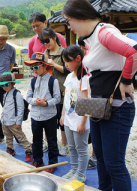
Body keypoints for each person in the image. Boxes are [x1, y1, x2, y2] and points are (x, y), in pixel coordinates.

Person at [62, 0, 137, 191]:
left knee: (114, 164)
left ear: (79, 16)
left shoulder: (103, 32)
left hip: (117, 109)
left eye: (68, 21)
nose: (69, 26)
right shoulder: (92, 38)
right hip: (100, 108)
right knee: (100, 158)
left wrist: (127, 79)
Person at [25, 52, 60, 174]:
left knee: (51, 140)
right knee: (36, 140)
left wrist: (46, 103)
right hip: (35, 115)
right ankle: (38, 160)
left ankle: (53, 162)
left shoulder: (53, 80)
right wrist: (35, 101)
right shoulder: (32, 81)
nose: (34, 70)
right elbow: (28, 97)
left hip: (49, 115)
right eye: (32, 67)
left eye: (36, 67)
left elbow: (57, 98)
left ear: (45, 65)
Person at [60, 45, 90, 183]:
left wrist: (83, 122)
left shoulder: (84, 78)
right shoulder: (69, 76)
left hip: (79, 120)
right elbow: (66, 98)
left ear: (78, 59)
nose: (66, 64)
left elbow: (86, 101)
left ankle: (81, 174)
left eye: (68, 61)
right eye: (64, 62)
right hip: (68, 118)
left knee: (81, 149)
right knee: (71, 147)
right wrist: (62, 115)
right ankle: (74, 169)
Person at [40, 27, 69, 156]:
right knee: (47, 120)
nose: (46, 43)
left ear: (54, 38)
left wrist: (54, 64)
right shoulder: (44, 54)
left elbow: (70, 70)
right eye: (43, 42)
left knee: (62, 121)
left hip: (62, 92)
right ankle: (49, 143)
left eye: (47, 40)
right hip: (48, 93)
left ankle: (65, 145)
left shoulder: (64, 52)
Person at [0, 72, 33, 162]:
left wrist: (18, 122)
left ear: (13, 83)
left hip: (13, 121)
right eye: (2, 85)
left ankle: (28, 151)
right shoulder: (5, 94)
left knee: (20, 137)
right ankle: (10, 149)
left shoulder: (17, 94)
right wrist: (2, 119)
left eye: (7, 84)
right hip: (5, 121)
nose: (4, 87)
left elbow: (20, 109)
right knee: (8, 136)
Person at [78, 36, 97, 170]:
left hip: (94, 94)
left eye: (82, 47)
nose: (82, 49)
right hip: (88, 90)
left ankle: (95, 157)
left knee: (95, 127)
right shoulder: (84, 59)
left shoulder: (94, 53)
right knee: (92, 130)